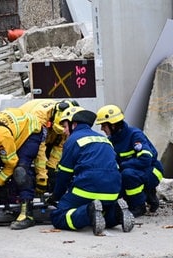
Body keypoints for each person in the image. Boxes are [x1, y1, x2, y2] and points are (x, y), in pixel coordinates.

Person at [50, 106, 134, 235]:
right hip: (112, 190)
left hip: (87, 189)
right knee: (101, 212)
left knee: (59, 215)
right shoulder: (104, 139)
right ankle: (116, 214)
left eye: (65, 127)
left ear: (74, 124)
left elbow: (64, 175)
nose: (64, 131)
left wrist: (56, 196)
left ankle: (88, 211)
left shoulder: (73, 140)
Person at [95, 105, 164, 217]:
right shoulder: (111, 141)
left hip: (152, 170)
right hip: (136, 172)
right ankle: (147, 195)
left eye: (103, 125)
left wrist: (123, 165)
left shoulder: (135, 135)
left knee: (127, 175)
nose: (102, 129)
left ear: (113, 125)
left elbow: (145, 160)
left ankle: (139, 206)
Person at [18, 99, 79, 194]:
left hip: (48, 132)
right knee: (27, 162)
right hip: (24, 133)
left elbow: (60, 147)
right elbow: (39, 150)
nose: (63, 131)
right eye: (61, 126)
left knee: (52, 172)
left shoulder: (66, 118)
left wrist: (51, 169)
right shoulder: (39, 117)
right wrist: (42, 178)